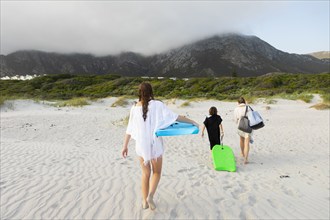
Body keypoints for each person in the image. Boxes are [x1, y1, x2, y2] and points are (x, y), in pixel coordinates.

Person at [121, 82, 199, 210]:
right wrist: (193, 122)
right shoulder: (158, 105)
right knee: (156, 172)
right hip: (154, 144)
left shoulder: (134, 108)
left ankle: (144, 202)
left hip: (141, 146)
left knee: (145, 173)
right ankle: (150, 196)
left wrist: (125, 146)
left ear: (139, 93)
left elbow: (129, 129)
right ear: (151, 92)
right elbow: (175, 117)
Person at [234, 97, 252, 164]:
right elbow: (251, 116)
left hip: (240, 126)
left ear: (238, 102)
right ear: (244, 102)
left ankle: (242, 153)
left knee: (241, 140)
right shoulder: (248, 108)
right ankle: (246, 159)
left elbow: (235, 120)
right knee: (247, 142)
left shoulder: (236, 109)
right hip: (248, 126)